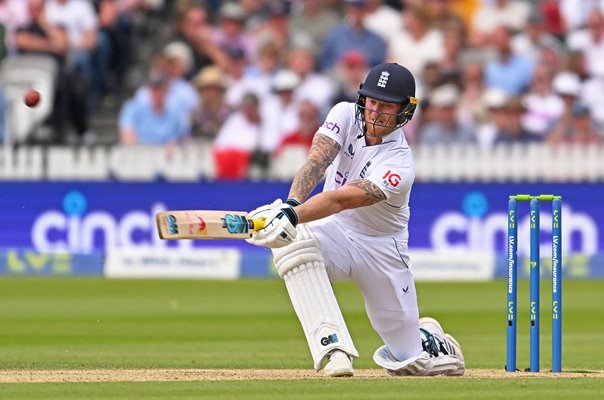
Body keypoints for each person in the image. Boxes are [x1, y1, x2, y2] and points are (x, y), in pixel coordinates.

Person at [245, 63, 465, 377]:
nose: (375, 112)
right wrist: (291, 204)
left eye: (386, 106)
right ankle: (334, 350)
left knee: (408, 363)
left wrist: (290, 215)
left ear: (405, 111)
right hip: (337, 232)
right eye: (371, 102)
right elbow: (317, 161)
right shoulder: (345, 113)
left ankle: (430, 339)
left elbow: (341, 199)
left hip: (382, 249)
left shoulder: (399, 163)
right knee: (293, 243)